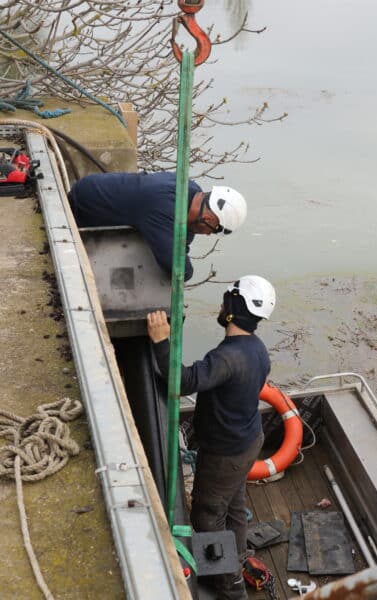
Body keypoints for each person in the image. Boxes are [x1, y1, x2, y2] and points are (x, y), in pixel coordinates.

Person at [147, 275, 276, 600]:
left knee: (207, 514)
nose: (220, 305)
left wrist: (162, 342)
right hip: (249, 440)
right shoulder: (256, 349)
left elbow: (183, 382)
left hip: (225, 454)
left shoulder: (226, 357)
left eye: (225, 300)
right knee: (233, 505)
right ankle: (240, 559)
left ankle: (228, 586)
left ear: (234, 308)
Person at [68, 171, 247, 281]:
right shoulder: (164, 207)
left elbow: (182, 242)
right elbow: (178, 268)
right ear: (208, 218)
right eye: (213, 230)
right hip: (81, 208)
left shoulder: (190, 189)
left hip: (93, 185)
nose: (208, 235)